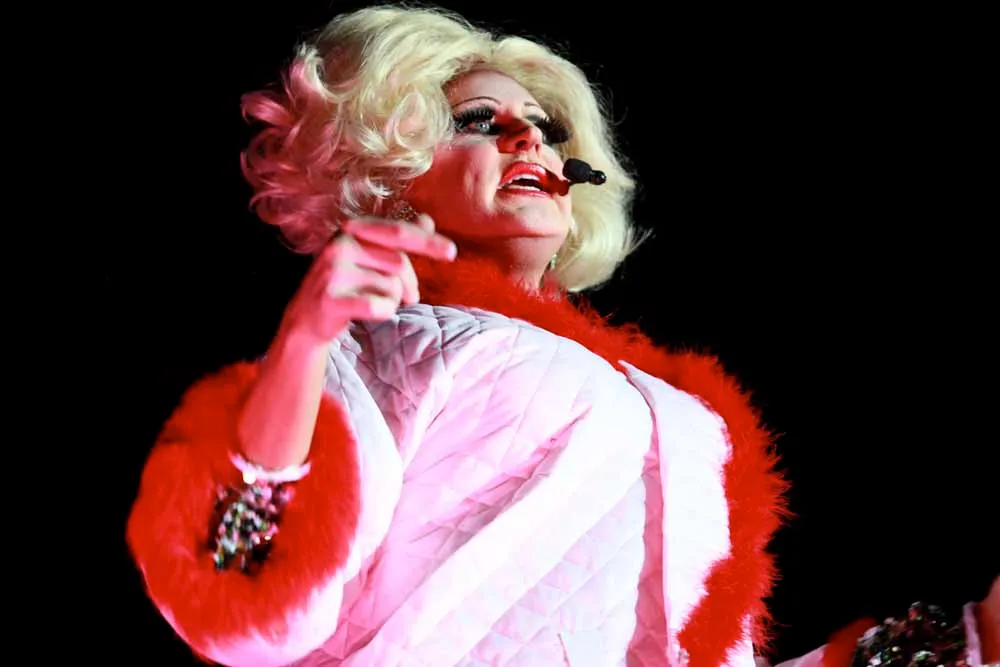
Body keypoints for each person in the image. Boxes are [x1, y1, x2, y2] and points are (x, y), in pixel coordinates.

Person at [125, 5, 996, 666]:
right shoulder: (395, 341)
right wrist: (303, 348)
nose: (528, 138)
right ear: (390, 167)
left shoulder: (672, 409)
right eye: (479, 120)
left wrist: (967, 639)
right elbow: (238, 598)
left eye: (546, 128)